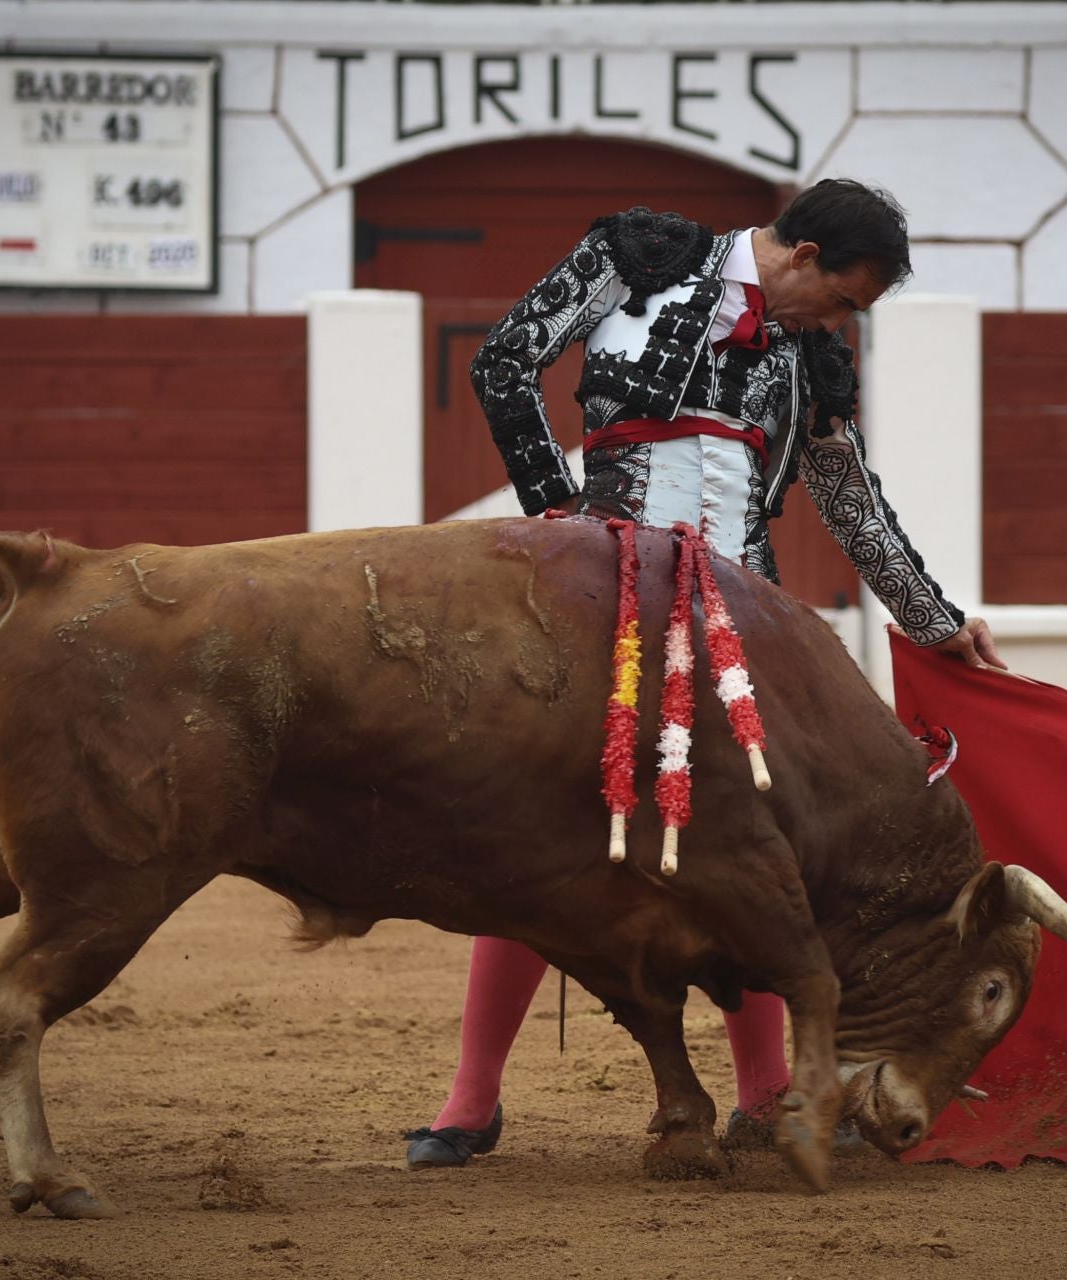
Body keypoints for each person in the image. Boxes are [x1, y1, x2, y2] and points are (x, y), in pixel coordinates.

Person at [404, 179, 1003, 1170]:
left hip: (739, 621)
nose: (839, 322)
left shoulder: (809, 354)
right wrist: (560, 516)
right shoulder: (637, 258)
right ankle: (472, 1097)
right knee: (539, 834)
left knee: (750, 847)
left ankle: (761, 1093)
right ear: (803, 255)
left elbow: (848, 498)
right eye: (842, 298)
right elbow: (506, 359)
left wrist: (933, 622)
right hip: (598, 599)